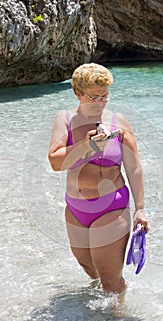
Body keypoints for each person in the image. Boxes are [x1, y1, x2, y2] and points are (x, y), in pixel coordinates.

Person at [48, 63, 149, 306]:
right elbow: (55, 162)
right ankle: (98, 300)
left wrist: (140, 209)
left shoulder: (119, 122)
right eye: (94, 96)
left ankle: (116, 320)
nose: (101, 102)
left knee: (110, 282)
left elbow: (133, 168)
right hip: (75, 209)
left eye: (105, 96)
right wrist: (85, 147)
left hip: (111, 207)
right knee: (87, 266)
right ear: (77, 93)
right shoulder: (65, 120)